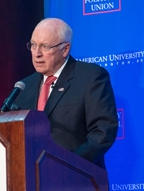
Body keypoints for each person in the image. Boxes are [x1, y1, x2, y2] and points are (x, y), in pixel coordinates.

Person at [14, 18, 118, 170]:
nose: (36, 53)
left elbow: (103, 131)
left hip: (77, 178)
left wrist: (68, 165)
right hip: (31, 178)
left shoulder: (91, 77)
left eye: (45, 46)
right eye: (33, 45)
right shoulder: (23, 87)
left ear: (65, 49)